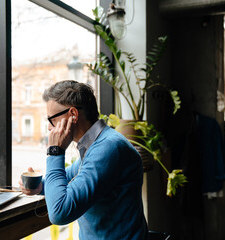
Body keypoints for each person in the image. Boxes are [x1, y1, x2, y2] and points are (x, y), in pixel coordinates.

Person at [19, 80, 148, 239]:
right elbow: (69, 177)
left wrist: (55, 151)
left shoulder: (108, 148)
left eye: (51, 119)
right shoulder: (98, 143)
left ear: (73, 114)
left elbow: (60, 213)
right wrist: (40, 186)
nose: (49, 128)